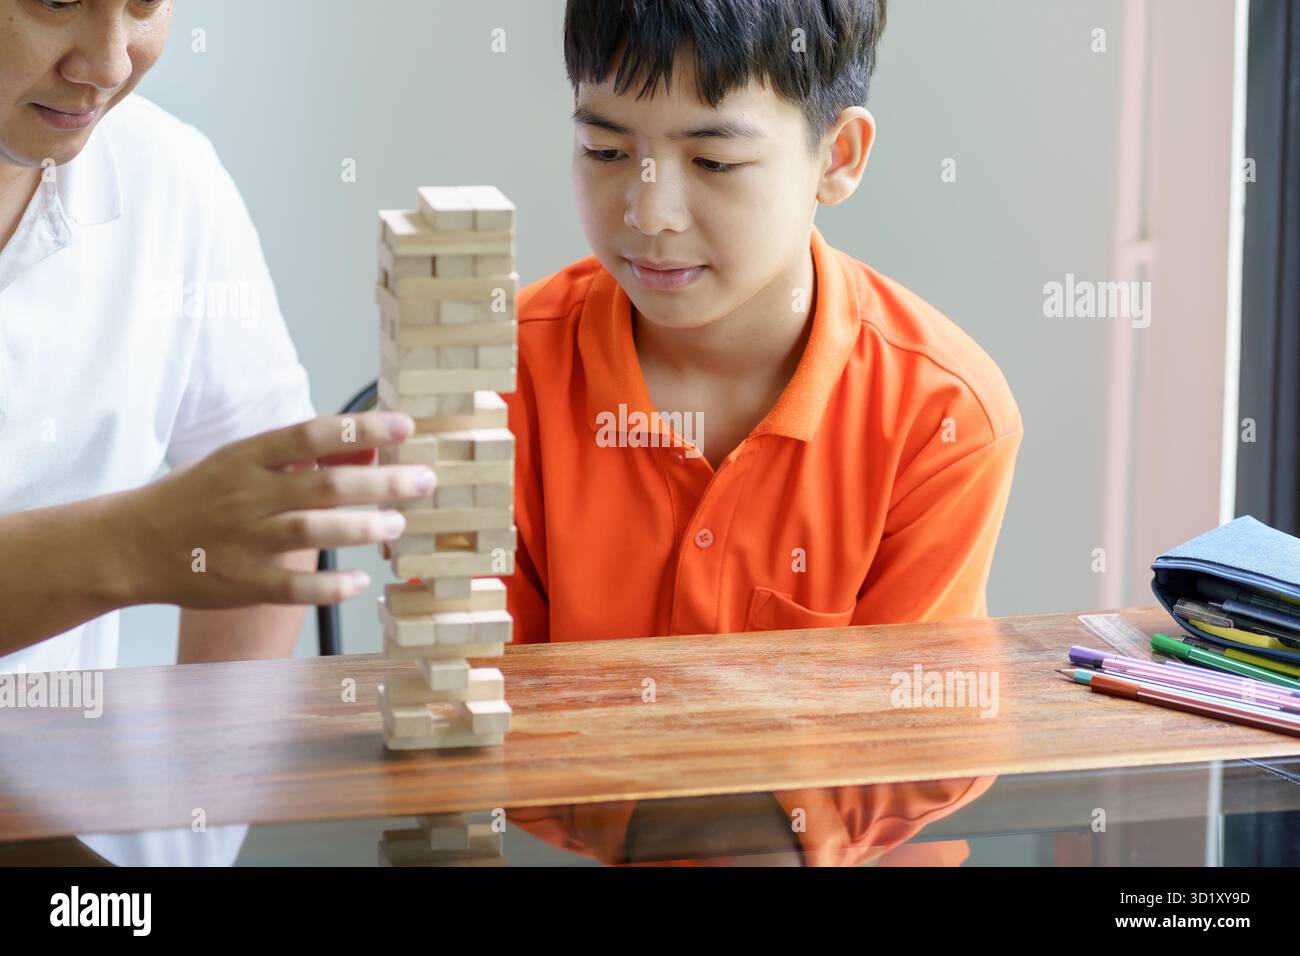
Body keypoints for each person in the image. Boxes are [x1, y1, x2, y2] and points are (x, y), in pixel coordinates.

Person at [501, 0, 1023, 864]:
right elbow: (479, 705)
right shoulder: (508, 381)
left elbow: (920, 741)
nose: (649, 211)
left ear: (838, 157)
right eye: (605, 150)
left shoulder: (942, 415)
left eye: (714, 160)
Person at [0, 0, 430, 678]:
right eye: (56, 1)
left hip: (55, 775)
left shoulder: (165, 176)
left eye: (145, 3)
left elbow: (273, 504)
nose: (109, 65)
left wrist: (209, 775)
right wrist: (129, 546)